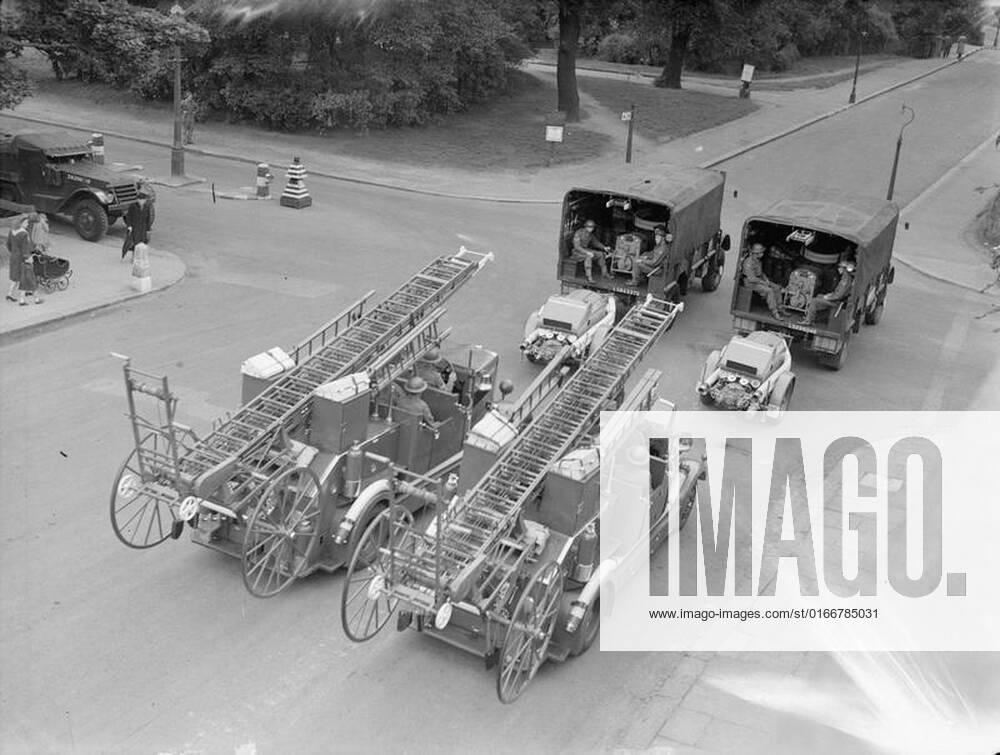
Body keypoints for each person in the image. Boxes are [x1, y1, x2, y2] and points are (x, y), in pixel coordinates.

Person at [800, 260, 855, 326]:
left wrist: (827, 297)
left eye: (840, 267)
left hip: (837, 303)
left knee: (814, 301)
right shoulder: (844, 278)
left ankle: (808, 321)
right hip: (836, 300)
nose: (838, 269)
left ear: (844, 269)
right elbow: (837, 293)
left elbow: (838, 296)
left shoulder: (845, 280)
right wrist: (828, 295)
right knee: (819, 296)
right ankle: (811, 317)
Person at [742, 242, 782, 318]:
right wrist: (764, 283)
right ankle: (774, 312)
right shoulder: (748, 263)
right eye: (761, 252)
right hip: (750, 283)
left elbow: (761, 273)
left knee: (776, 287)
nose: (762, 254)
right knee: (769, 290)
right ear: (756, 253)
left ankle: (779, 307)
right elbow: (752, 278)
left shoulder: (757, 260)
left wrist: (766, 279)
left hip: (759, 280)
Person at [571, 219, 610, 283]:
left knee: (600, 254)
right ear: (585, 227)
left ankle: (605, 273)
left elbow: (596, 242)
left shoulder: (590, 235)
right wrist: (587, 252)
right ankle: (589, 277)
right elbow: (577, 246)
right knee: (588, 256)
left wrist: (604, 247)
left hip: (585, 250)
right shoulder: (579, 232)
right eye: (589, 227)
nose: (591, 229)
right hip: (577, 252)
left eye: (592, 227)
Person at [6, 216, 32, 303]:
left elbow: (8, 244)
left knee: (15, 277)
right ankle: (21, 298)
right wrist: (28, 257)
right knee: (22, 276)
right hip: (21, 258)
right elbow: (25, 248)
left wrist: (13, 252)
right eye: (26, 223)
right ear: (22, 223)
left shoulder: (12, 231)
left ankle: (10, 294)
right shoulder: (24, 234)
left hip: (13, 256)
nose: (28, 224)